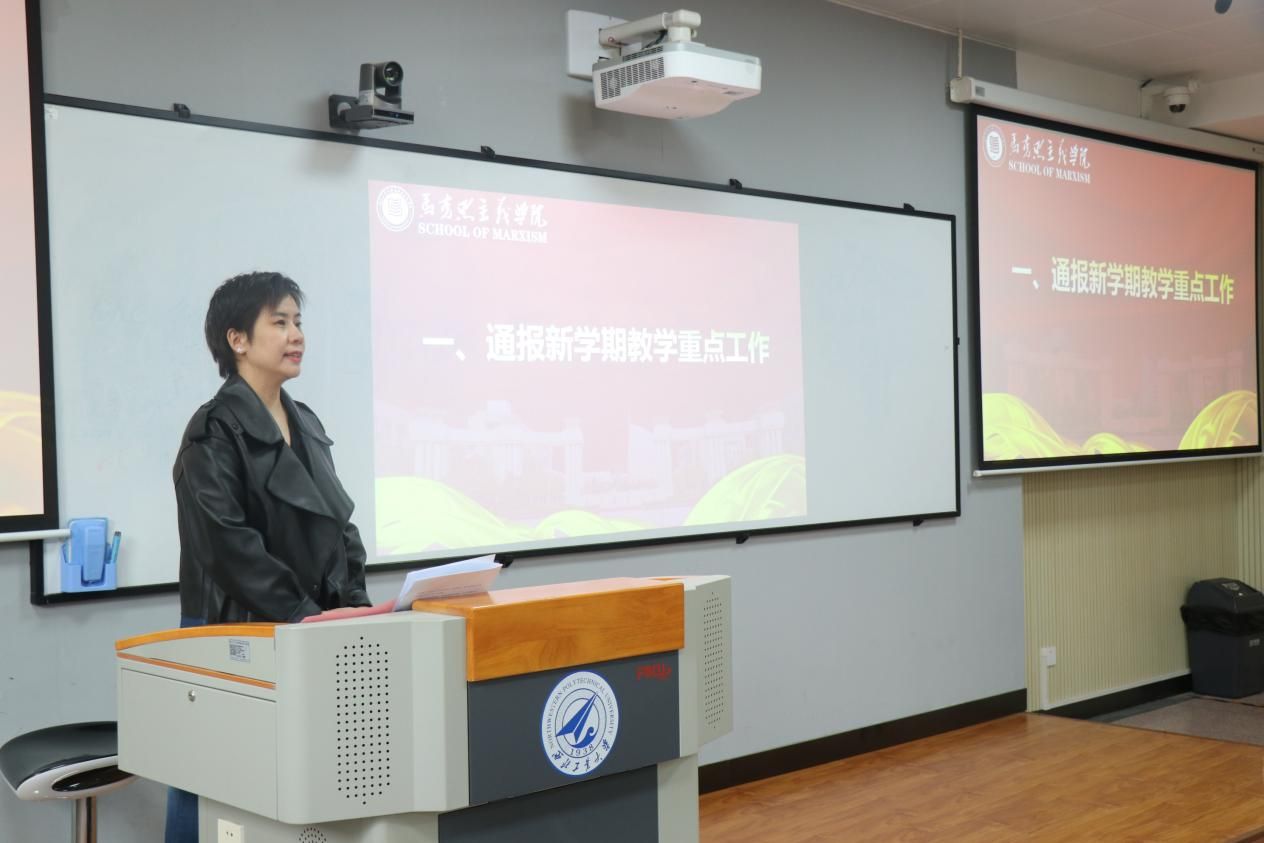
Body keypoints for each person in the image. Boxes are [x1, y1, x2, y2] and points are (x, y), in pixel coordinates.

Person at [165, 271, 370, 842]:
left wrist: (357, 605)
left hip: (308, 629)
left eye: (298, 321)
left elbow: (339, 526)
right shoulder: (212, 431)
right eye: (279, 322)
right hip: (233, 627)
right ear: (237, 340)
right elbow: (228, 547)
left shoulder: (308, 423)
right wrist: (304, 614)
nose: (295, 334)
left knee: (283, 786)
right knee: (208, 776)